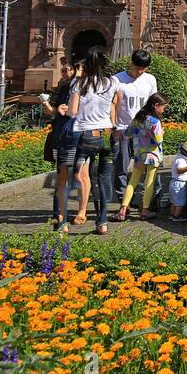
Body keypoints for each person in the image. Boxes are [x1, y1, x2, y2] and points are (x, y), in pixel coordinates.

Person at [67, 46, 122, 235]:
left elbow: (72, 112)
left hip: (85, 135)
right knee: (105, 178)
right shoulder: (111, 82)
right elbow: (117, 102)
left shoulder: (79, 85)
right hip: (107, 134)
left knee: (82, 176)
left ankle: (79, 210)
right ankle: (102, 222)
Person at [111, 50, 159, 201]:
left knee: (150, 163)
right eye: (137, 68)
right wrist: (114, 127)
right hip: (123, 128)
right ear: (131, 63)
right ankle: (123, 199)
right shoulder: (117, 79)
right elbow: (112, 105)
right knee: (121, 166)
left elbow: (153, 104)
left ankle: (151, 198)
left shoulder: (150, 79)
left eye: (143, 69)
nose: (139, 72)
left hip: (144, 130)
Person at [117, 92, 167, 221]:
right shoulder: (155, 121)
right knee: (149, 183)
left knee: (132, 181)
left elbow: (128, 133)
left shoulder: (139, 117)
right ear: (156, 105)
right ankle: (144, 211)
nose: (164, 110)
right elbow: (158, 140)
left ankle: (123, 209)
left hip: (139, 154)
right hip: (153, 155)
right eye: (163, 107)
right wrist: (161, 132)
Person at [42, 58, 78, 229]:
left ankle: (69, 215)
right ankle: (58, 216)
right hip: (61, 136)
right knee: (63, 177)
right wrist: (47, 104)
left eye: (69, 70)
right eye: (64, 70)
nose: (66, 73)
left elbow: (70, 111)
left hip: (71, 135)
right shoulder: (63, 88)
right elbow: (55, 112)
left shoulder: (77, 89)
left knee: (72, 178)